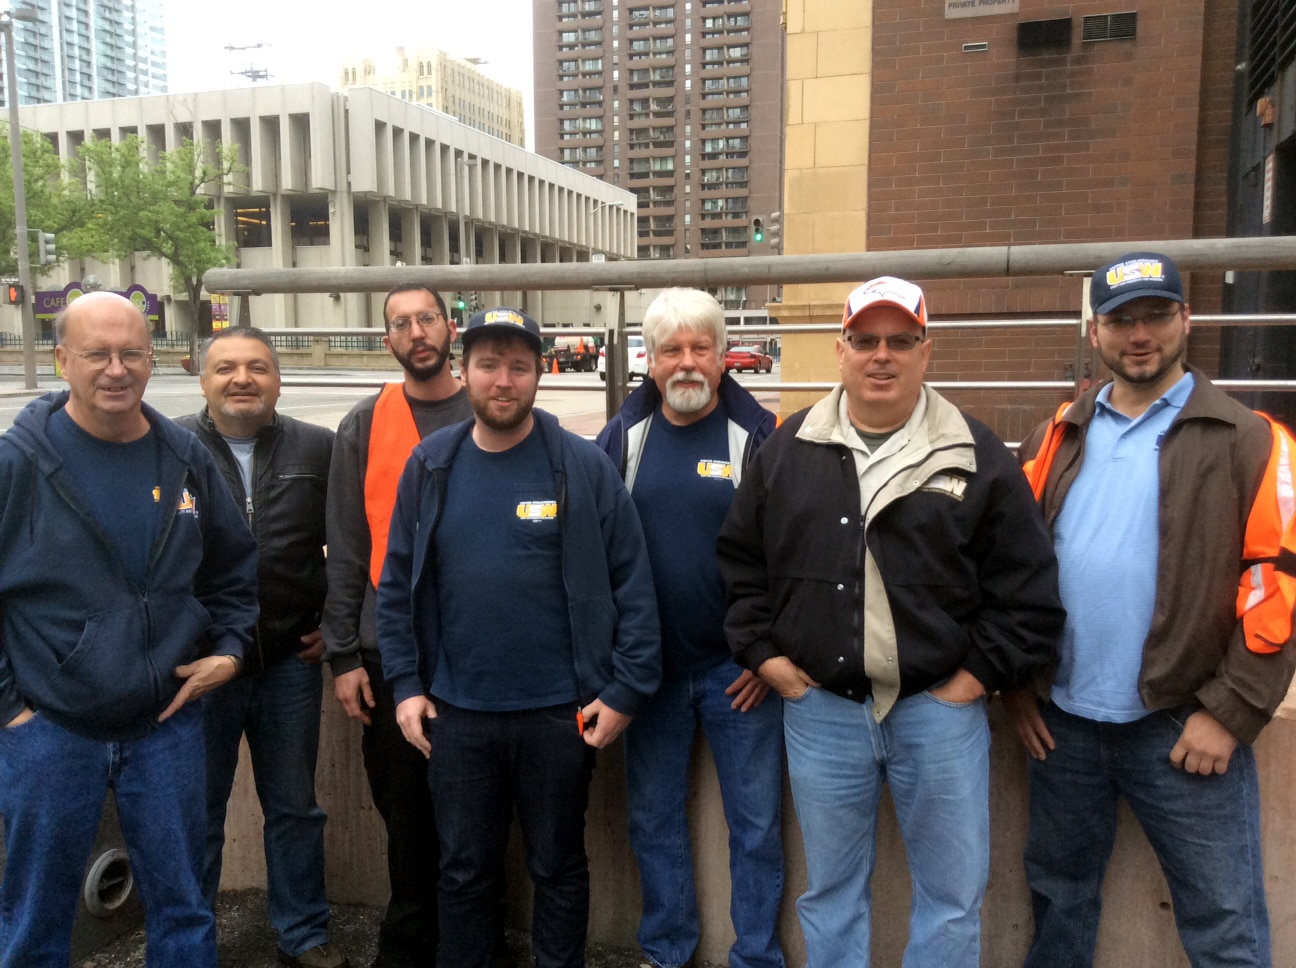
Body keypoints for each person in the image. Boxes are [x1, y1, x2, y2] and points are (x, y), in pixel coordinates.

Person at [716, 276, 1064, 968]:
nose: (883, 356)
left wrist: (976, 679)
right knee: (832, 893)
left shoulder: (975, 452)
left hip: (937, 712)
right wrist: (766, 657)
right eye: (866, 341)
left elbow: (1024, 585)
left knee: (952, 895)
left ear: (925, 352)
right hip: (821, 711)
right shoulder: (788, 448)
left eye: (901, 341)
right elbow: (739, 563)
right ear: (840, 350)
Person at [1008, 251, 1296, 968]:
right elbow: (1010, 568)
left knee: (1224, 920)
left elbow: (1279, 582)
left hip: (1182, 724)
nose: (1140, 335)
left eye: (1157, 316)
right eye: (1122, 320)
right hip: (1063, 724)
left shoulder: (1249, 438)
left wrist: (1229, 711)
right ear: (1096, 331)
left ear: (1185, 320)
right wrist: (1018, 683)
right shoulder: (1056, 435)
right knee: (1057, 898)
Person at [377, 307, 661, 968]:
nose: (503, 381)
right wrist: (406, 685)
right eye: (488, 365)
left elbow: (633, 584)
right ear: (464, 370)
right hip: (458, 714)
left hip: (561, 714)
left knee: (557, 867)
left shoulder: (581, 466)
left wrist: (625, 689)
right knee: (463, 872)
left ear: (539, 373)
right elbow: (395, 585)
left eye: (518, 366)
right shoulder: (431, 465)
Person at [0, 291, 259, 967]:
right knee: (36, 916)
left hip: (166, 727)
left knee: (183, 907)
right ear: (62, 360)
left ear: (154, 360)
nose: (116, 369)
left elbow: (234, 570)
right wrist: (11, 708)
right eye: (96, 354)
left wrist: (229, 653)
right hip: (52, 731)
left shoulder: (184, 456)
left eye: (132, 353)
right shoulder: (18, 463)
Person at [595, 288, 784, 968]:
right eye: (671, 349)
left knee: (756, 827)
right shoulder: (623, 440)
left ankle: (756, 956)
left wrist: (767, 656)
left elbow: (789, 554)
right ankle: (667, 950)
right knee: (652, 821)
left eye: (700, 348)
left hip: (740, 674)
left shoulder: (758, 437)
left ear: (722, 357)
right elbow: (596, 554)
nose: (686, 363)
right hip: (649, 674)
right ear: (649, 361)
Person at [177, 327, 344, 968]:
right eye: (225, 368)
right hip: (198, 668)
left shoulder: (318, 447)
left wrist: (334, 623)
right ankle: (190, 937)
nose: (241, 379)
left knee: (295, 808)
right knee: (198, 811)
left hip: (286, 664)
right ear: (202, 379)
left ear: (279, 378)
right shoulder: (168, 445)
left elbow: (348, 545)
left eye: (257, 367)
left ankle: (303, 933)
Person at [320, 284, 473, 968]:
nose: (416, 331)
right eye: (401, 324)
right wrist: (343, 655)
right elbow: (347, 545)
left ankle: (473, 942)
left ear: (450, 328)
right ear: (388, 341)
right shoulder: (364, 422)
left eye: (427, 319)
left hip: (477, 652)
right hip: (387, 652)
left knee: (476, 816)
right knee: (405, 816)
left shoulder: (493, 405)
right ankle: (410, 945)